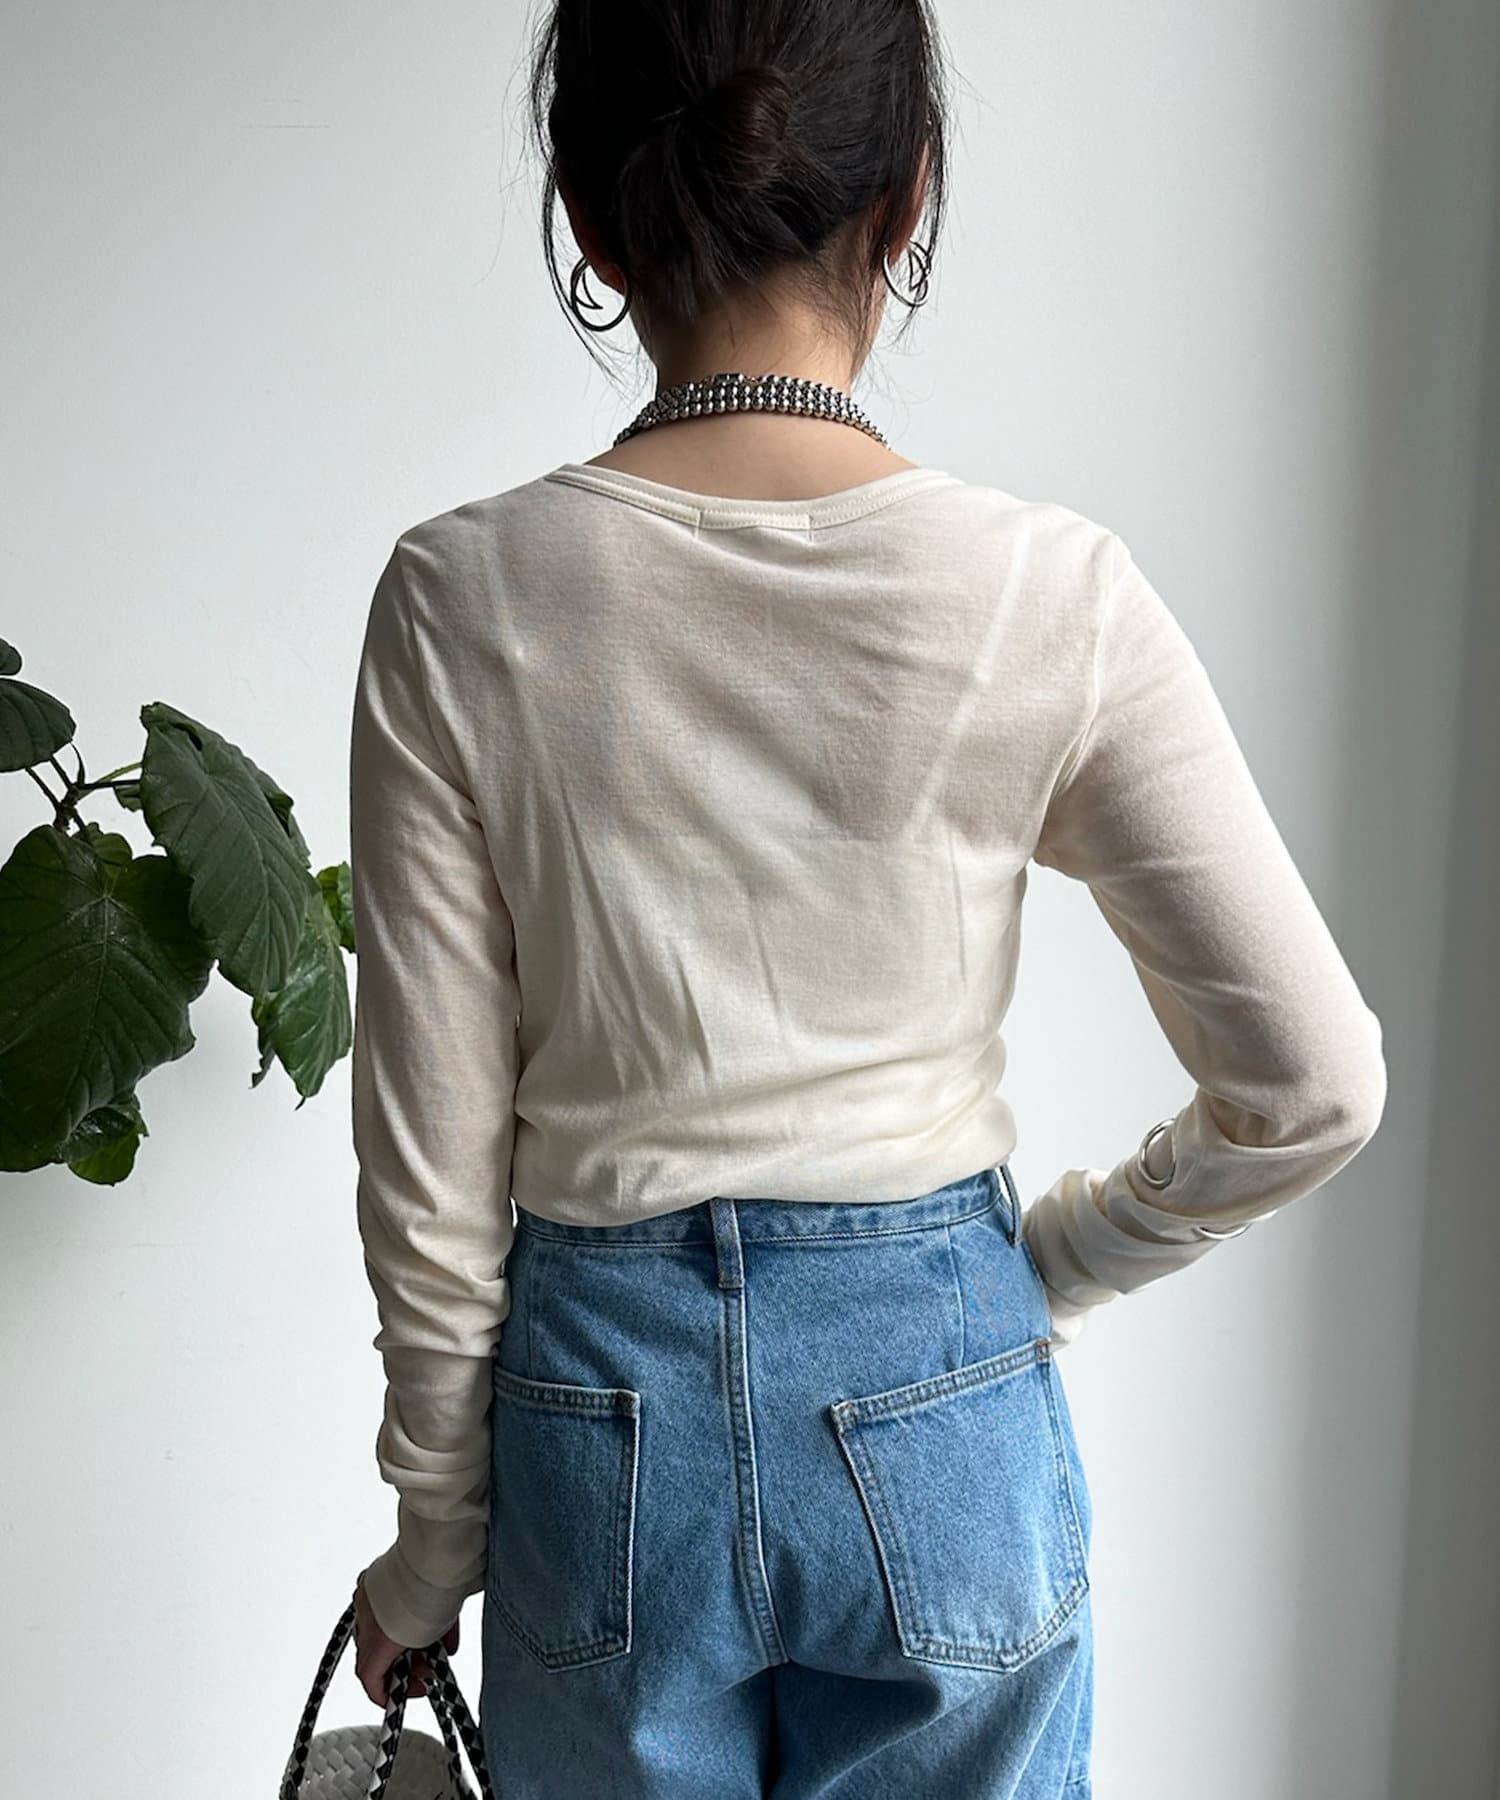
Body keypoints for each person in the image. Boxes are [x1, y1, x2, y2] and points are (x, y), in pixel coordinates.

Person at [345, 2, 1388, 1793]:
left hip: (603, 1422)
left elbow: (433, 1196)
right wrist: (1050, 1265)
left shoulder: (463, 600)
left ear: (593, 219)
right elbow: (1316, 1086)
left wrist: (433, 1549)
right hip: (942, 1388)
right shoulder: (1050, 598)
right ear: (906, 196)